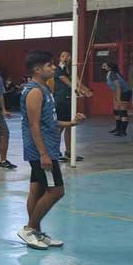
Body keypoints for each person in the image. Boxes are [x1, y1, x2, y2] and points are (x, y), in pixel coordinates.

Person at [18, 50, 85, 248]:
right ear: (38, 70)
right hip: (42, 150)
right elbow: (34, 125)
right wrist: (43, 154)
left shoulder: (45, 88)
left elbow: (50, 122)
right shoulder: (35, 92)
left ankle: (36, 232)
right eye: (50, 65)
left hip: (46, 147)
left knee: (37, 190)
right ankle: (29, 229)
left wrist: (72, 123)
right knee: (56, 191)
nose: (54, 67)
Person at [104, 61, 131, 137]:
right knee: (116, 110)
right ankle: (118, 128)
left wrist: (118, 98)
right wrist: (115, 97)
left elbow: (118, 86)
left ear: (109, 68)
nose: (103, 67)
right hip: (118, 93)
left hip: (125, 93)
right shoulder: (109, 74)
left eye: (104, 66)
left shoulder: (112, 74)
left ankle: (123, 131)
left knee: (123, 111)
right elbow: (114, 88)